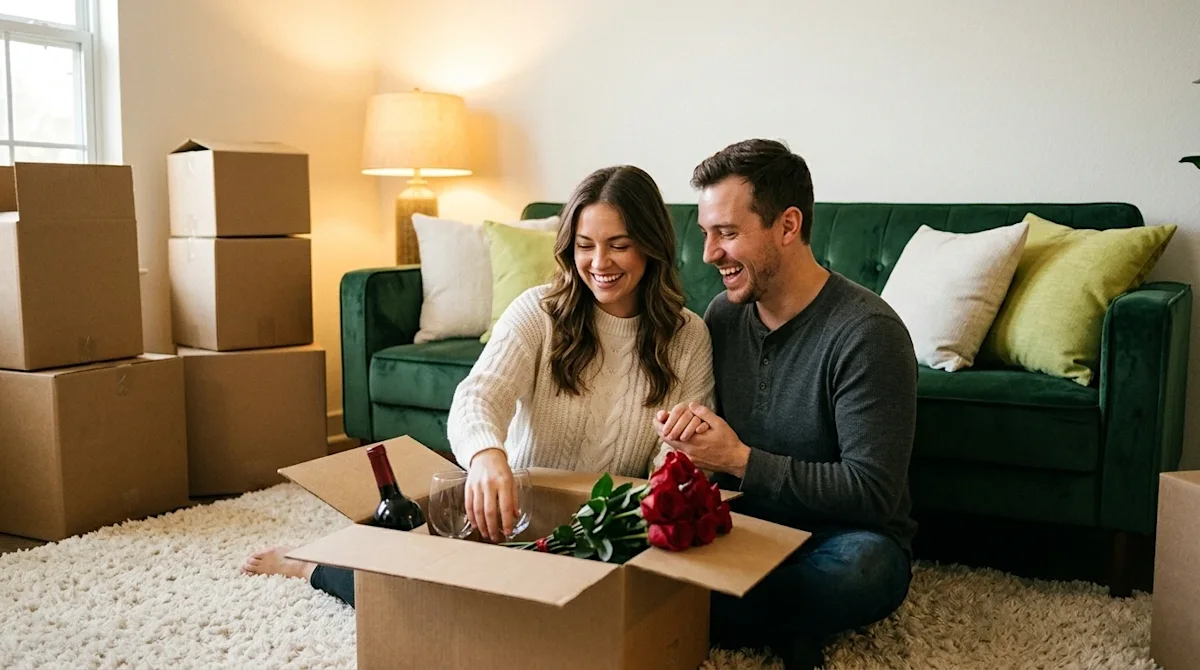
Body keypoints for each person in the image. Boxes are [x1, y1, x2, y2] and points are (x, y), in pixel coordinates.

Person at [241, 165, 715, 607]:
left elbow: (679, 457)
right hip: (515, 515)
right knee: (424, 594)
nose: (599, 262)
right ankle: (313, 567)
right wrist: (488, 457)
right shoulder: (540, 312)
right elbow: (477, 396)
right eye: (585, 244)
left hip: (613, 529)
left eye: (619, 244)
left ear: (651, 246)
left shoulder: (688, 335)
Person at [654, 139, 918, 669]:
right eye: (706, 233)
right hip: (745, 526)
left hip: (838, 537)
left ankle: (723, 609)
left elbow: (871, 494)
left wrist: (738, 460)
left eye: (727, 233)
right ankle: (786, 623)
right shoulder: (723, 318)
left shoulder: (868, 333)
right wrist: (688, 436)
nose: (709, 254)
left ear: (788, 226)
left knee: (868, 569)